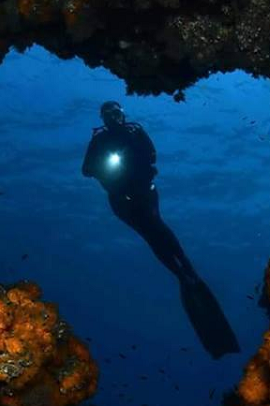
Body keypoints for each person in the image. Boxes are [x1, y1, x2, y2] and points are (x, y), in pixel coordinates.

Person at [82, 101, 240, 359]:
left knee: (157, 226)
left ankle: (187, 270)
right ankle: (180, 273)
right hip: (121, 200)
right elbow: (86, 170)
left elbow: (152, 155)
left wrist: (132, 161)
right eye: (108, 113)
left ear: (123, 114)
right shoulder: (99, 141)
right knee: (150, 235)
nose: (113, 117)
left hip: (145, 194)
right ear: (102, 117)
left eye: (117, 112)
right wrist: (107, 167)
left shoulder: (135, 132)